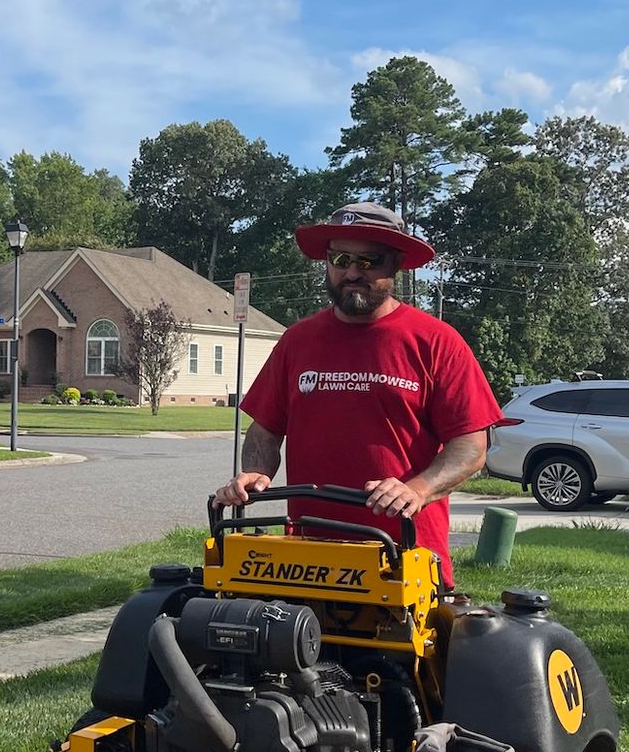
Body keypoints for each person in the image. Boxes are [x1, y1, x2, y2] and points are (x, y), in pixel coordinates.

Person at [215, 201, 504, 588]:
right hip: (306, 562)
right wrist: (257, 472)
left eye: (370, 261)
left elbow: (471, 446)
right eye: (341, 258)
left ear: (395, 265)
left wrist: (416, 490)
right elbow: (265, 431)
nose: (352, 272)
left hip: (404, 563)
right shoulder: (297, 341)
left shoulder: (436, 342)